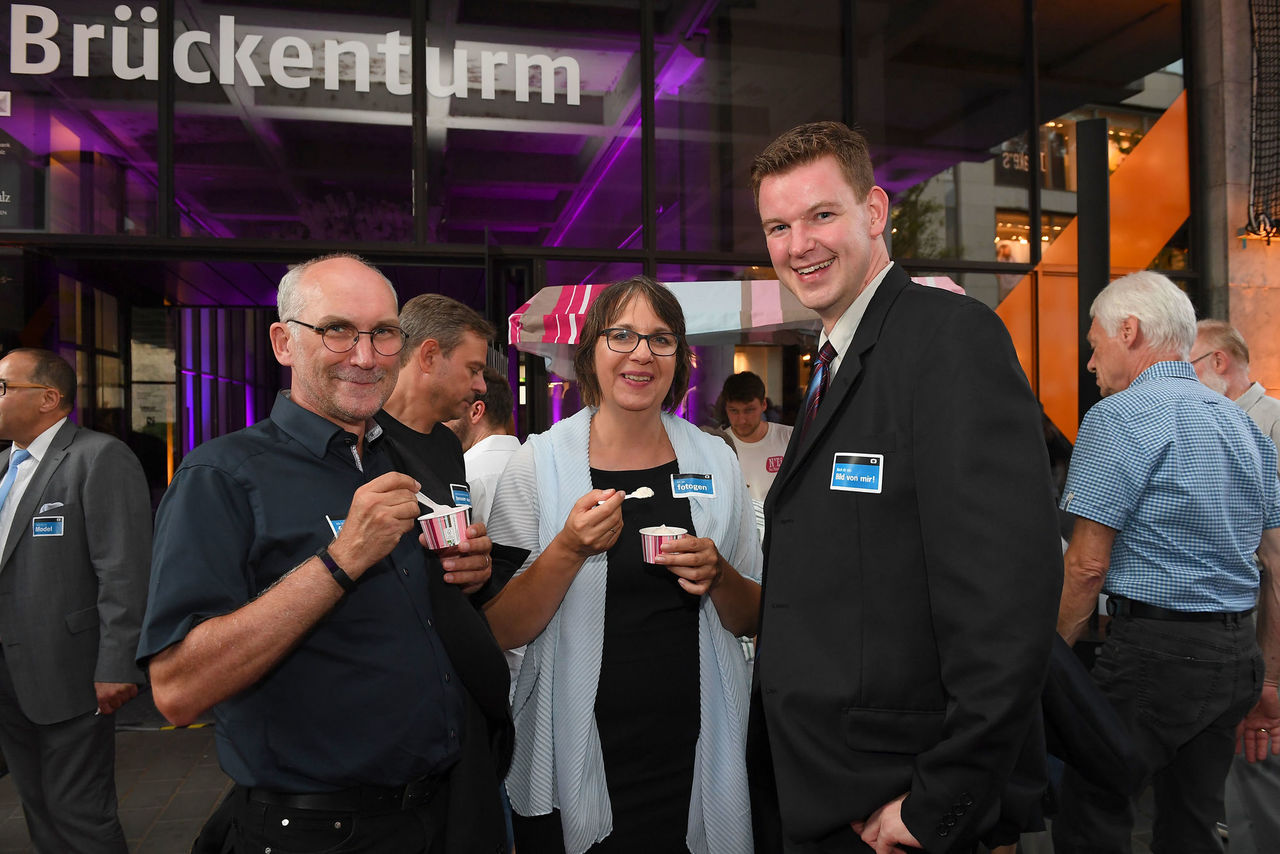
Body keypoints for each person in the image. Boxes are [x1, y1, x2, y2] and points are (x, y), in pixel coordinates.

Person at [746, 121, 1063, 854]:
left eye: (822, 215)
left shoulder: (949, 340)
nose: (800, 245)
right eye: (778, 226)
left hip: (895, 805)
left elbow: (1008, 600)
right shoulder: (831, 359)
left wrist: (940, 804)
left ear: (876, 213)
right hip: (828, 787)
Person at [138, 253, 504, 854]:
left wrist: (469, 571)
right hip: (316, 832)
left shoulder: (402, 458)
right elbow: (177, 690)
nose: (364, 356)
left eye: (383, 333)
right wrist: (338, 563)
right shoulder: (223, 476)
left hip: (439, 812)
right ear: (284, 342)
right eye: (337, 330)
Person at [484, 275, 762, 854]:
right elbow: (498, 628)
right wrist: (567, 549)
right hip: (570, 750)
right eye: (622, 335)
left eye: (660, 339)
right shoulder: (537, 465)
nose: (641, 353)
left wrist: (717, 576)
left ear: (678, 359)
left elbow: (752, 614)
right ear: (591, 352)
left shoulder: (717, 461)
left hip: (693, 752)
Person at [1053, 272, 1280, 853]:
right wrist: (1270, 679)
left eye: (1094, 343)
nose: (1090, 363)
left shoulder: (1117, 418)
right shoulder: (1241, 422)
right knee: (1192, 827)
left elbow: (1084, 567)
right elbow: (1277, 563)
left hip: (1156, 657)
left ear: (1129, 331)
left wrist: (1044, 659)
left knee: (1092, 815)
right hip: (1236, 658)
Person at [0, 348, 151, 854]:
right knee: (37, 805)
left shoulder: (98, 457)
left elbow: (124, 571)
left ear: (48, 398)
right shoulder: (4, 465)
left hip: (70, 672)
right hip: (9, 673)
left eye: (3, 387)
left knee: (80, 812)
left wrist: (117, 664)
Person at [1189, 318, 1280, 854]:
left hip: (1265, 621)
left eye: (1188, 366)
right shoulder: (1223, 423)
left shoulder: (1270, 423)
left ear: (1218, 363)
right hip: (1237, 622)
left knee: (1260, 760)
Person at [719, 371, 792, 541]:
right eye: (734, 411)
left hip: (782, 536)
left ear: (764, 405)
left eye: (749, 410)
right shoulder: (718, 445)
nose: (742, 419)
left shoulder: (789, 438)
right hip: (738, 539)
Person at [447, 365, 521, 525]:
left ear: (476, 412)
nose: (443, 423)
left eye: (451, 413)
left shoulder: (467, 475)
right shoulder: (536, 462)